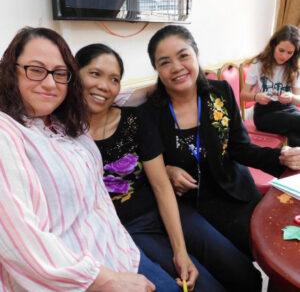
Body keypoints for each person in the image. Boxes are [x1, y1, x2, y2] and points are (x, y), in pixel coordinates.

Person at [0, 26, 193, 292]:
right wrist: (101, 279)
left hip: (119, 246)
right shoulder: (7, 132)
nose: (48, 82)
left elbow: (118, 99)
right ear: (11, 70)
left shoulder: (65, 125)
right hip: (78, 274)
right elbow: (18, 239)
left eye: (59, 73)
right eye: (35, 69)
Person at [75, 43, 264, 292]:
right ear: (74, 74)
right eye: (95, 74)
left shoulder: (133, 119)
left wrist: (180, 252)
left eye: (114, 79)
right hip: (126, 228)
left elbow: (161, 186)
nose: (104, 85)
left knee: (243, 273)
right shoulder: (63, 135)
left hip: (168, 209)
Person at [141, 24, 300, 262]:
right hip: (193, 205)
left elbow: (240, 148)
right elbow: (141, 165)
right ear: (157, 69)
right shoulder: (150, 112)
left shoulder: (220, 92)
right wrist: (165, 170)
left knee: (275, 247)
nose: (176, 67)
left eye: (183, 56)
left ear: (196, 55)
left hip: (235, 191)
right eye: (164, 62)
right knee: (240, 272)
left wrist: (281, 158)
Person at [240, 24, 300, 146]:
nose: (284, 56)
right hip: (265, 113)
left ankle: (294, 164)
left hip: (287, 109)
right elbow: (243, 95)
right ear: (273, 46)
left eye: (290, 52)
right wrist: (256, 97)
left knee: (296, 132)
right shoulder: (258, 63)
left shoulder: (294, 68)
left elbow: (298, 100)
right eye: (281, 50)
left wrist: (291, 97)